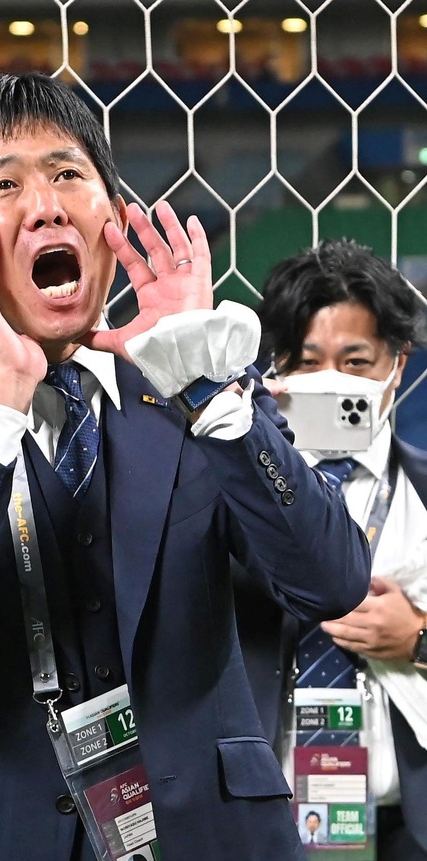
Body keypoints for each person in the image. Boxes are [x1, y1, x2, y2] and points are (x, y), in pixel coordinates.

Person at [0, 73, 370, 861]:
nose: (45, 204)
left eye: (68, 174)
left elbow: (332, 581)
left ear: (113, 214)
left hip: (205, 836)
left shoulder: (206, 396)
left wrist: (211, 396)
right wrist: (0, 398)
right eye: (5, 184)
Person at [242, 238, 427, 861]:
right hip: (261, 822)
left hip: (409, 827)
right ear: (275, 368)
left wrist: (417, 638)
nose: (332, 383)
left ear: (397, 364)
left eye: (355, 362)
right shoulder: (224, 498)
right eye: (308, 362)